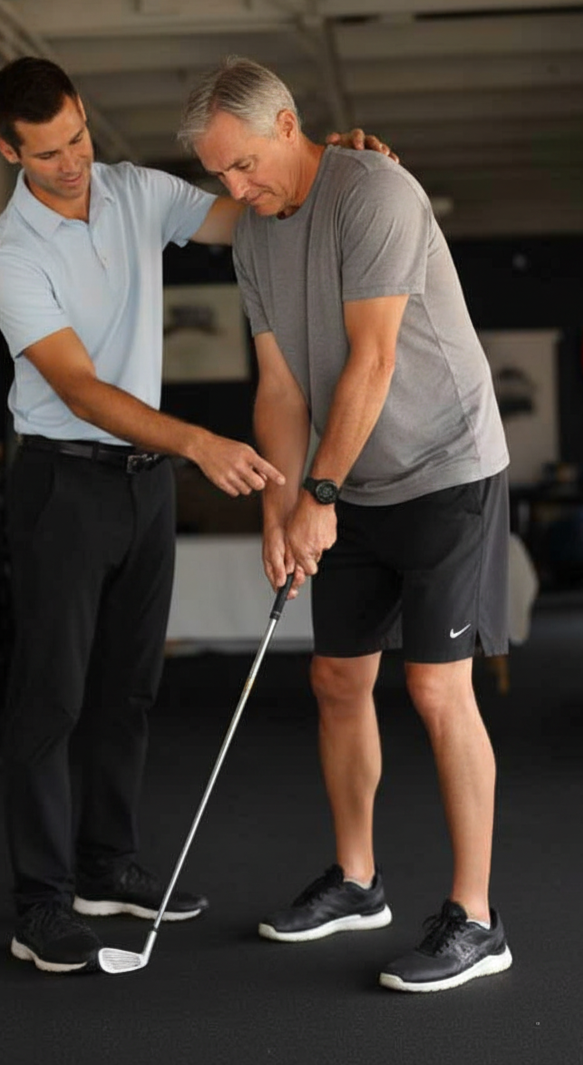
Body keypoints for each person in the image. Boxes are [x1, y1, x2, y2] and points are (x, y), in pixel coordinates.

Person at [0, 56, 392, 974]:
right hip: (63, 481)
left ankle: (105, 865)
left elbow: (253, 203)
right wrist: (198, 442)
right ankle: (40, 904)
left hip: (144, 484)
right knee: (52, 696)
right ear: (11, 149)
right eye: (47, 153)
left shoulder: (132, 190)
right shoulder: (9, 252)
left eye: (78, 138)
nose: (73, 162)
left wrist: (334, 166)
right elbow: (81, 390)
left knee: (130, 684)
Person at [179, 56, 514, 994]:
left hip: (448, 465)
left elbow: (369, 362)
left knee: (438, 689)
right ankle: (359, 880)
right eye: (221, 176)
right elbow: (282, 385)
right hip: (350, 477)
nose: (236, 189)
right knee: (336, 678)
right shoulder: (254, 235)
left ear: (287, 123)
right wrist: (287, 504)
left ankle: (478, 918)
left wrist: (318, 496)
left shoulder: (376, 193)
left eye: (244, 164)